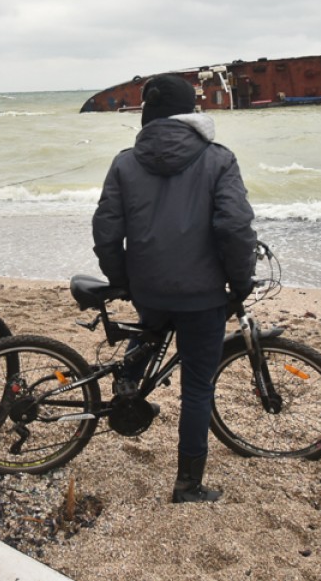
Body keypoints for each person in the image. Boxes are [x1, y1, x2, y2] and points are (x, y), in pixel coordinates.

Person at [92, 74, 257, 503]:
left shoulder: (125, 162)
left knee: (151, 333)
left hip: (149, 288)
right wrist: (240, 282)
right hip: (203, 296)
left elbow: (106, 229)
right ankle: (188, 484)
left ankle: (129, 382)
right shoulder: (218, 159)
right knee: (197, 387)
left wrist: (122, 280)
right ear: (192, 115)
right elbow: (235, 228)